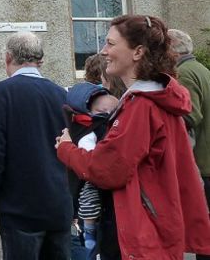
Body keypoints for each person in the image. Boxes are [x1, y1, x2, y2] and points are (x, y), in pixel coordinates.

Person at [56, 15, 210, 259]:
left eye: (110, 43)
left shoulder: (142, 106)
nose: (104, 51)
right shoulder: (155, 97)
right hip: (154, 229)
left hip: (142, 234)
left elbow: (107, 169)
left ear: (137, 52)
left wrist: (66, 148)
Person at [0, 31, 72, 260]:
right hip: (59, 204)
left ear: (8, 57)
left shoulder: (2, 93)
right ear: (40, 59)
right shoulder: (62, 95)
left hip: (20, 209)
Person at [62, 82, 117, 259]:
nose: (109, 116)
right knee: (90, 227)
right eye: (103, 112)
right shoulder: (88, 134)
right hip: (91, 194)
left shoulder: (82, 130)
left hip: (92, 195)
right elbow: (90, 162)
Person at [169, 28, 210, 260]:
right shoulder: (201, 69)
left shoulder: (184, 73)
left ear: (172, 51)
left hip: (202, 163)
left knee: (203, 232)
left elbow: (191, 116)